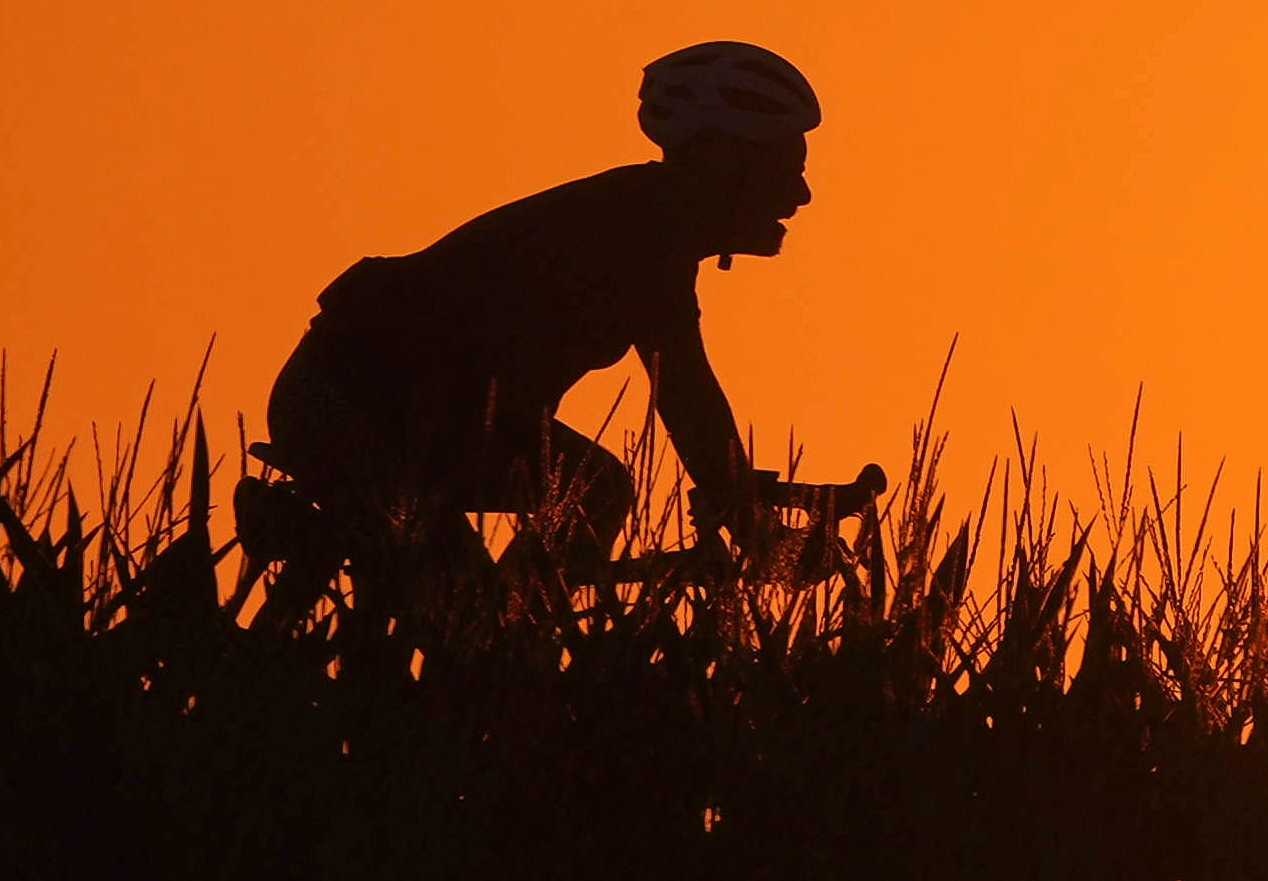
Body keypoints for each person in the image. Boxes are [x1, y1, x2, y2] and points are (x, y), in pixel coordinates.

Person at [261, 43, 855, 575]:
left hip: (401, 409)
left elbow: (689, 408)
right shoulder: (641, 233)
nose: (801, 195)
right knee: (503, 572)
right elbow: (687, 396)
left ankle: (507, 619)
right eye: (787, 172)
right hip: (352, 410)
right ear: (725, 163)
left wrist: (740, 506)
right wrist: (751, 528)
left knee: (586, 493)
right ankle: (508, 628)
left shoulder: (644, 217)